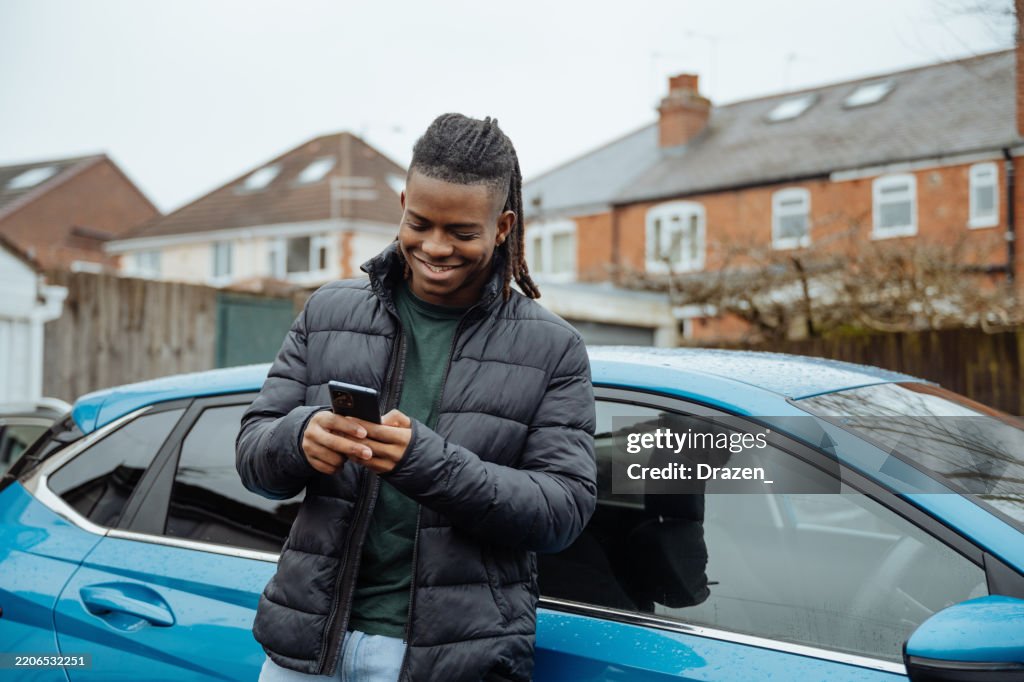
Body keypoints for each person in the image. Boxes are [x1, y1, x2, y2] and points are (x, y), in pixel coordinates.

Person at [236, 113, 597, 682]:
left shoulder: (553, 348)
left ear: (503, 227)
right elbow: (253, 459)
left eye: (462, 232)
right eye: (420, 223)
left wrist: (425, 463)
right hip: (307, 653)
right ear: (402, 202)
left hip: (445, 662)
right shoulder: (328, 311)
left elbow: (561, 511)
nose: (436, 247)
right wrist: (298, 437)